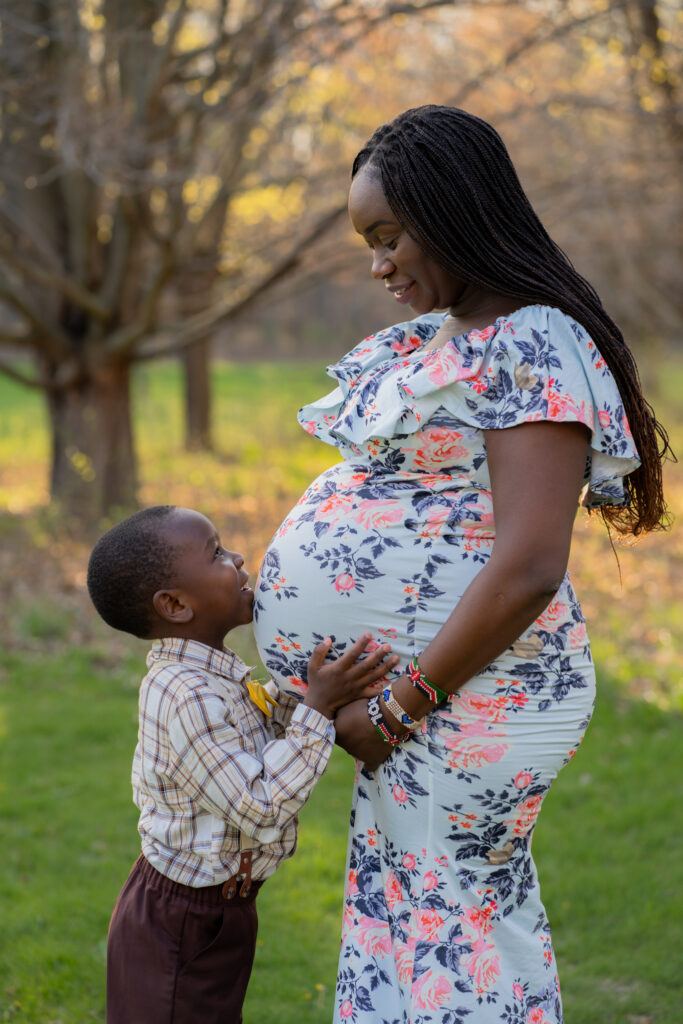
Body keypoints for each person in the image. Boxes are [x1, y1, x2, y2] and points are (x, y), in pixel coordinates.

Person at [253, 105, 671, 1023]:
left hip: (473, 694)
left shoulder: (532, 339)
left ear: (451, 209)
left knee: (459, 929)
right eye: (369, 242)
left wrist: (400, 708)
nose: (378, 264)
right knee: (412, 921)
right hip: (423, 696)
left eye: (388, 235)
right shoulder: (446, 341)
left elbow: (527, 564)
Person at [86, 504, 397, 1024]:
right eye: (216, 554)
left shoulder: (215, 679)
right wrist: (317, 709)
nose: (238, 559)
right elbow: (257, 805)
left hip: (220, 909)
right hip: (179, 919)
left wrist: (310, 692)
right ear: (176, 604)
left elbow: (261, 731)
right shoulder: (181, 694)